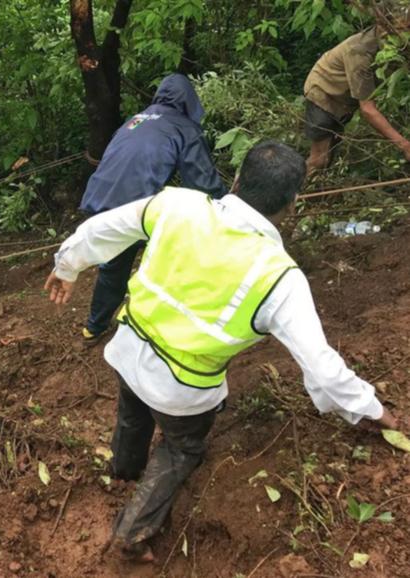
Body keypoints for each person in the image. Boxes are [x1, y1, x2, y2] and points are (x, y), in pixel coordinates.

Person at [44, 141, 399, 560]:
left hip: (127, 349)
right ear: (292, 203)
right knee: (181, 448)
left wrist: (66, 266)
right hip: (182, 392)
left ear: (235, 179)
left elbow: (104, 229)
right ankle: (133, 531)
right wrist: (373, 410)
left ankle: (124, 470)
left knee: (133, 407)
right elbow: (321, 368)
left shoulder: (177, 205)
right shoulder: (279, 276)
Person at [78, 73, 226, 344]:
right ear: (189, 101)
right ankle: (165, 322)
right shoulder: (183, 127)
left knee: (113, 266)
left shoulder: (133, 121)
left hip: (100, 201)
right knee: (173, 253)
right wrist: (226, 207)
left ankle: (94, 328)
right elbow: (204, 184)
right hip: (137, 206)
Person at [303, 4, 410, 174]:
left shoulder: (399, 45)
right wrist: (404, 144)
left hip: (345, 99)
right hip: (324, 92)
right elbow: (368, 109)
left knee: (331, 156)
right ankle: (291, 195)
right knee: (320, 159)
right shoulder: (360, 53)